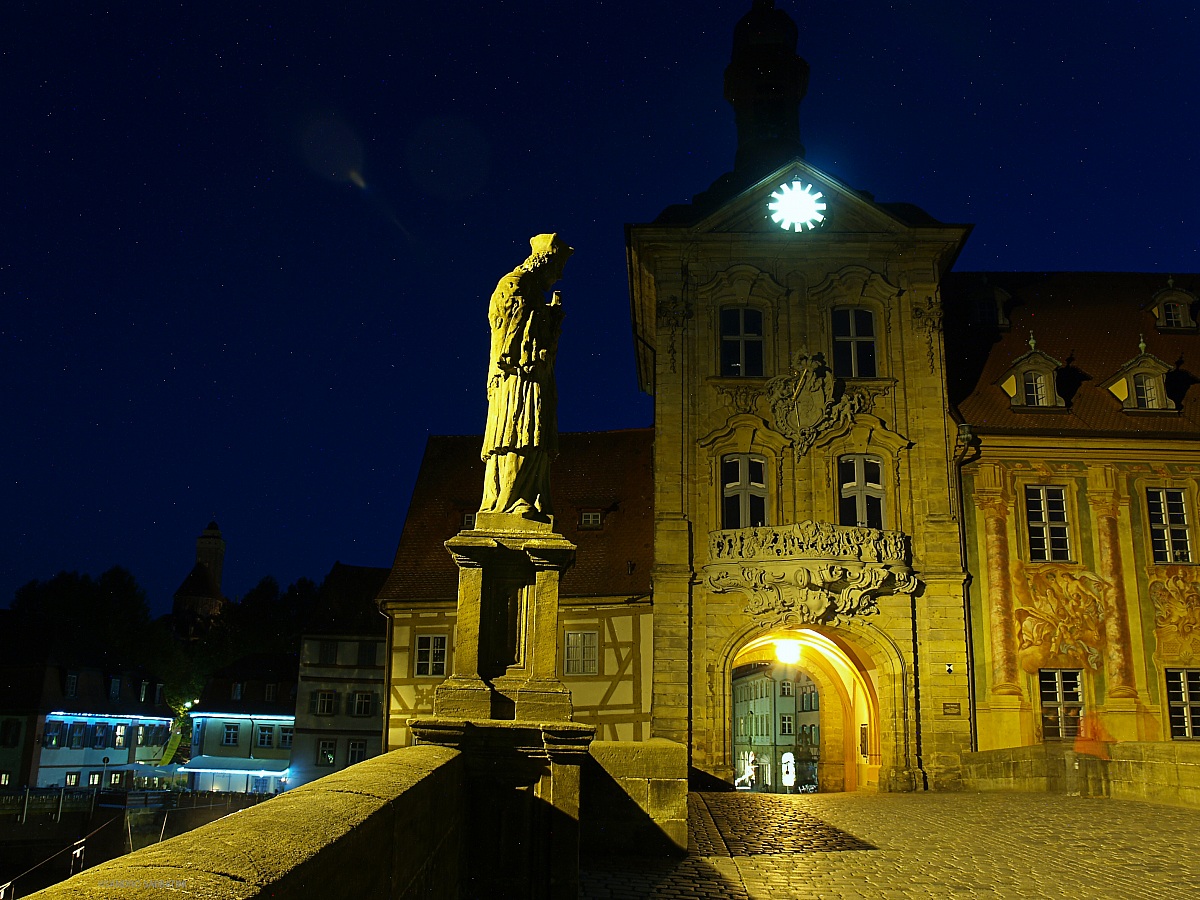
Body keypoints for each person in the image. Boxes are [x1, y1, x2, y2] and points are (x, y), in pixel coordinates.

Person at [479, 234, 572, 518]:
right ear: (545, 262)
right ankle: (510, 500)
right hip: (517, 380)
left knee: (535, 435)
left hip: (533, 378)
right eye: (556, 270)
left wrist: (550, 319)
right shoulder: (515, 284)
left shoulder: (530, 291)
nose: (557, 277)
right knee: (520, 431)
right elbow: (512, 343)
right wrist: (545, 321)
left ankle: (527, 496)